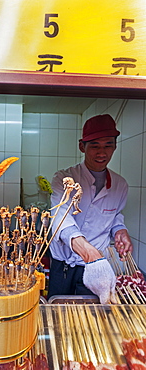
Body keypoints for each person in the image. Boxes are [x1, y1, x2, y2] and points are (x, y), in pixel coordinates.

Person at [48, 114, 133, 304]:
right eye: (95, 145)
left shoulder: (120, 185)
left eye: (108, 145)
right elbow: (61, 220)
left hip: (95, 268)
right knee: (58, 313)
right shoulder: (64, 179)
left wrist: (120, 231)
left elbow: (114, 216)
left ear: (115, 146)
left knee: (91, 316)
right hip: (64, 263)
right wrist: (91, 255)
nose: (102, 153)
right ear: (82, 146)